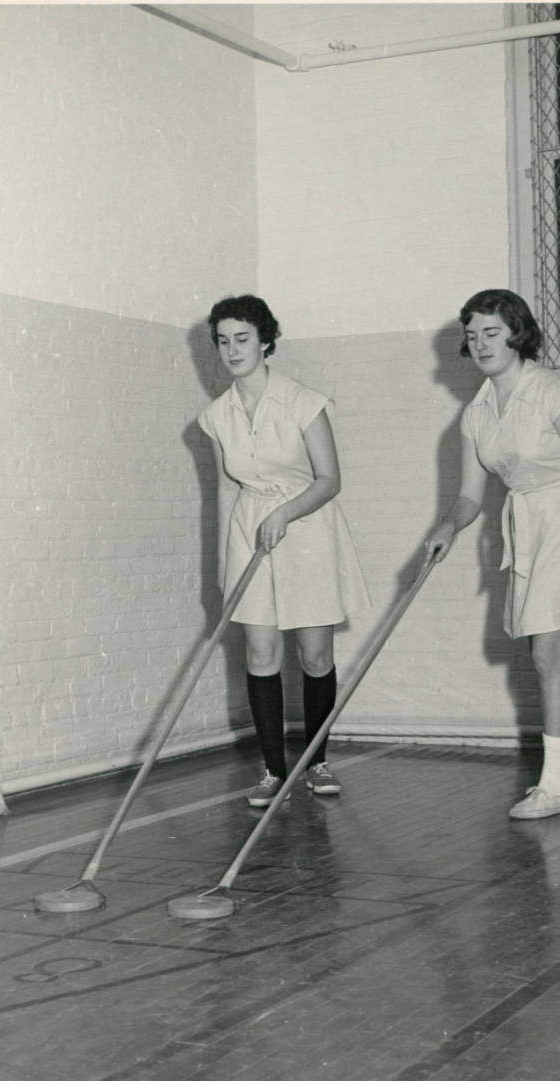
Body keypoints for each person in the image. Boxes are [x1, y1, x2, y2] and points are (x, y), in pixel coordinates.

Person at [425, 289, 560, 820]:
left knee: (547, 655)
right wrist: (448, 527)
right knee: (559, 656)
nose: (480, 344)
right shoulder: (475, 415)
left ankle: (551, 786)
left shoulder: (554, 393)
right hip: (527, 526)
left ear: (517, 333)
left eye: (491, 333)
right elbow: (471, 497)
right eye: (472, 335)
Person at [198, 294, 370, 806]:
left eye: (242, 339)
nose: (232, 349)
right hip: (250, 529)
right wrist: (223, 562)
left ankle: (316, 762)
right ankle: (273, 771)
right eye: (224, 341)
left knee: (315, 654)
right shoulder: (214, 417)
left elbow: (330, 479)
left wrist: (284, 514)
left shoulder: (304, 402)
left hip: (307, 527)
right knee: (260, 651)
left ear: (266, 340)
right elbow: (226, 489)